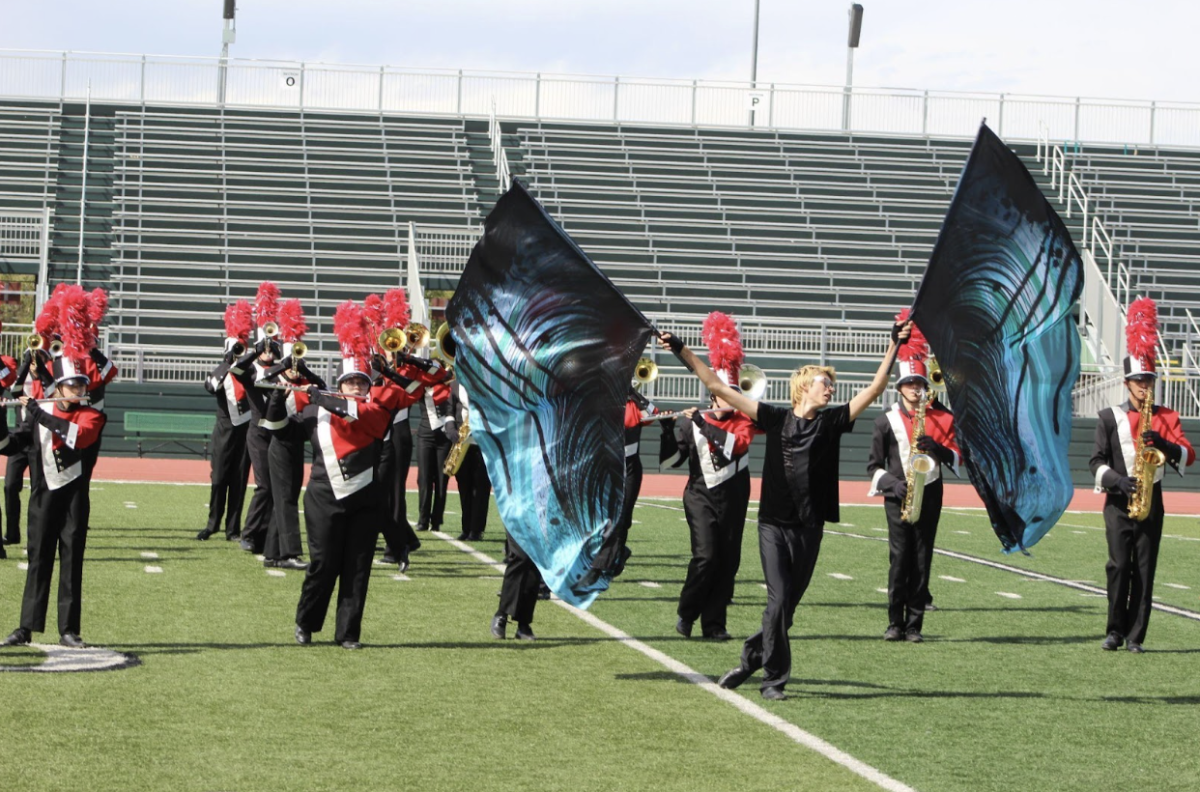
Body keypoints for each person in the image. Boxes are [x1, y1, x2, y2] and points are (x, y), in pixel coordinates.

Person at [659, 319, 909, 700]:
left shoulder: (832, 422)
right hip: (773, 526)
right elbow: (714, 384)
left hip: (810, 528)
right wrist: (679, 347)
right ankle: (773, 680)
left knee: (786, 612)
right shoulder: (773, 418)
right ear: (804, 387)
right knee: (776, 601)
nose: (831, 388)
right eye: (825, 382)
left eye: (831, 384)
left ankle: (750, 658)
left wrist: (893, 345)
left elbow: (875, 388)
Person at [1090, 298, 1194, 654]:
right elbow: (1095, 463)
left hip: (1154, 499)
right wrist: (1117, 481)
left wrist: (1164, 442)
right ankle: (1114, 631)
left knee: (1145, 570)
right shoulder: (1108, 417)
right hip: (1119, 501)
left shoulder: (1167, 416)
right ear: (1127, 383)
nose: (1144, 387)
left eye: (1148, 380)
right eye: (1138, 381)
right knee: (1119, 566)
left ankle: (1136, 636)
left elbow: (1189, 455)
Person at [278, 356, 392, 649]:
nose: (355, 387)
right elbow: (281, 431)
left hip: (364, 498)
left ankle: (348, 633)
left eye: (361, 382)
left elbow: (358, 415)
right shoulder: (316, 410)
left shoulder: (377, 411)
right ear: (339, 384)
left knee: (357, 567)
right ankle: (306, 622)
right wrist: (280, 398)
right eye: (350, 382)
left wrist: (321, 397)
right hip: (323, 497)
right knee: (324, 564)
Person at [0, 354, 106, 648]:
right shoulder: (36, 415)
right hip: (43, 497)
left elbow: (77, 436)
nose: (80, 391)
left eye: (81, 386)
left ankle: (69, 630)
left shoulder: (91, 415)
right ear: (58, 388)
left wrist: (36, 410)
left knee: (71, 561)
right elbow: (10, 447)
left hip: (73, 499)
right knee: (38, 560)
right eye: (73, 386)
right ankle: (26, 627)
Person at [866, 318, 958, 643]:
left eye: (920, 384)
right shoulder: (884, 421)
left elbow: (961, 458)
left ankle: (915, 625)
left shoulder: (943, 417)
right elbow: (873, 468)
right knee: (899, 559)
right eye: (910, 384)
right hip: (898, 496)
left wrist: (940, 450)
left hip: (931, 492)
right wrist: (894, 485)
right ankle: (894, 622)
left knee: (922, 558)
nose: (917, 389)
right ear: (900, 387)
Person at [670, 387, 761, 641]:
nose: (731, 402)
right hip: (700, 497)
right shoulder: (690, 425)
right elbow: (672, 461)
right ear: (713, 398)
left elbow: (735, 447)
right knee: (706, 557)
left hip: (734, 499)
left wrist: (701, 422)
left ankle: (714, 625)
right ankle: (687, 614)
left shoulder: (744, 421)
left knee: (728, 562)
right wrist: (668, 429)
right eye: (725, 397)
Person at [197, 328, 253, 541]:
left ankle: (233, 530)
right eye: (235, 350)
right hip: (224, 430)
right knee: (219, 478)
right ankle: (212, 525)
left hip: (245, 430)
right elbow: (210, 387)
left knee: (239, 480)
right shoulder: (221, 373)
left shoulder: (249, 372)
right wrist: (227, 363)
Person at [415, 367, 456, 532]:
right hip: (425, 435)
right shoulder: (423, 385)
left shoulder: (451, 386)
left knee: (441, 479)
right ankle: (422, 519)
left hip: (444, 437)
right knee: (424, 479)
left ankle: (437, 520)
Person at [450, 380, 491, 542]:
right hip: (462, 443)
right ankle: (466, 528)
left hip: (483, 442)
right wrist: (451, 429)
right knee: (464, 487)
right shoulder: (455, 385)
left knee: (481, 488)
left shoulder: (487, 384)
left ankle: (477, 530)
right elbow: (449, 411)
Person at [491, 531, 540, 641]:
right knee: (521, 556)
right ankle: (502, 614)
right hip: (515, 515)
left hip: (540, 517)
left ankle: (523, 624)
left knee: (534, 560)